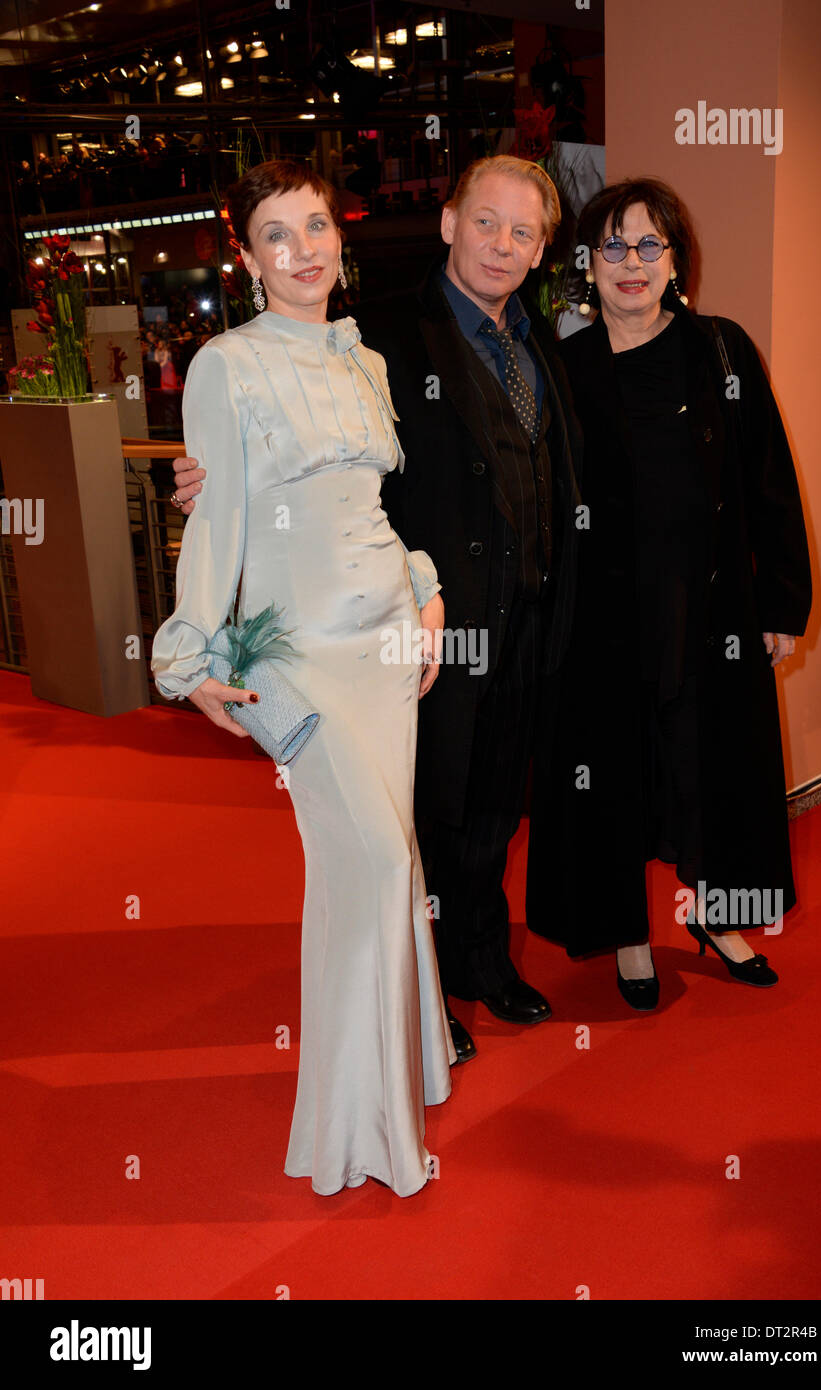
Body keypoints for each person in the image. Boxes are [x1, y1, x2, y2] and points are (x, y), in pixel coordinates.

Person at [171, 155, 582, 1061]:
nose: (500, 245)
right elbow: (285, 456)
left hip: (493, 617)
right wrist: (203, 482)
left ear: (541, 248)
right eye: (485, 222)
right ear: (446, 222)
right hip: (379, 632)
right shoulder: (382, 330)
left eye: (522, 232)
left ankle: (474, 967)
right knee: (414, 823)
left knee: (489, 811)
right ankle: (416, 998)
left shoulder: (542, 344)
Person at [151, 158, 454, 1197]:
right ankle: (353, 1129)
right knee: (366, 865)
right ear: (245, 256)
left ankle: (400, 1076)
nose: (303, 249)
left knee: (391, 864)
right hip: (298, 657)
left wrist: (425, 588)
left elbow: (372, 507)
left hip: (386, 645)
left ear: (339, 235)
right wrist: (192, 652)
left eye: (316, 225)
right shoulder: (225, 365)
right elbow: (218, 524)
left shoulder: (362, 356)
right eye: (276, 235)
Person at [526, 177, 811, 1008]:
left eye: (649, 245)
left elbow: (770, 485)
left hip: (711, 611)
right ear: (588, 261)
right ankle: (624, 934)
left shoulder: (720, 350)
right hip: (603, 619)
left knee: (711, 769)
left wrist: (781, 607)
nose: (631, 263)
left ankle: (717, 917)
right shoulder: (561, 365)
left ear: (674, 259)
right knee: (611, 775)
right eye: (612, 245)